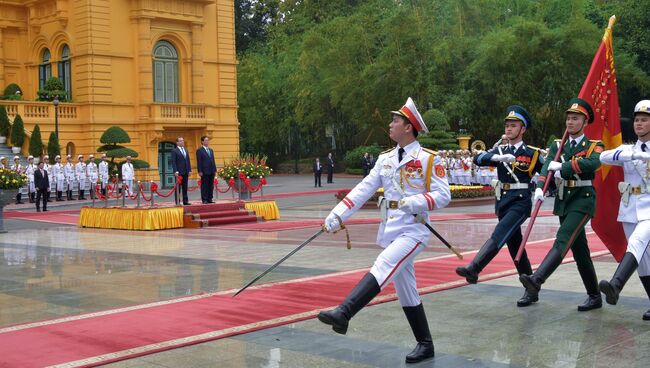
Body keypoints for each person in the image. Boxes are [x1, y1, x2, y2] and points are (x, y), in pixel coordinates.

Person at [318, 97, 450, 364]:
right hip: (391, 229)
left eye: (396, 120)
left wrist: (414, 202)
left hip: (415, 230)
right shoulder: (386, 159)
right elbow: (364, 189)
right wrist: (337, 215)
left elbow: (443, 195)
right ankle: (425, 345)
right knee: (406, 290)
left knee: (384, 263)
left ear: (409, 127)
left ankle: (344, 313)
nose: (390, 124)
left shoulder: (428, 160)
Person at [520, 98, 604, 311]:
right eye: (568, 118)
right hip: (564, 199)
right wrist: (540, 186)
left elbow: (594, 163)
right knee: (580, 250)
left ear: (585, 122)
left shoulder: (594, 145)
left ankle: (537, 279)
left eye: (575, 118)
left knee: (564, 237)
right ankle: (594, 295)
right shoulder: (558, 145)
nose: (570, 122)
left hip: (583, 199)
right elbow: (547, 165)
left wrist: (565, 166)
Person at [456, 106, 544, 306]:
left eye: (513, 125)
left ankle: (475, 267)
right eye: (507, 125)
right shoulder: (500, 150)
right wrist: (495, 157)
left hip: (520, 200)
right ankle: (531, 288)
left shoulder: (532, 153)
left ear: (523, 129)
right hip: (502, 201)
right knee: (515, 248)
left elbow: (546, 172)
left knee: (501, 231)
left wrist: (539, 187)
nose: (509, 129)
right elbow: (477, 159)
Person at [599, 100, 650, 320]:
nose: (639, 124)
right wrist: (632, 155)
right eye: (637, 120)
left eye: (644, 120)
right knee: (644, 262)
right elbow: (603, 157)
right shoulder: (628, 149)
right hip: (630, 208)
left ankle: (616, 284)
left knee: (637, 243)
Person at [196, 136, 217, 204]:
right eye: (205, 140)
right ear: (202, 142)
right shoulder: (199, 150)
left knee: (211, 185)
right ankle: (204, 199)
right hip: (204, 171)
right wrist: (200, 171)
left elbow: (213, 160)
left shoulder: (211, 150)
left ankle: (210, 199)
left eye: (208, 140)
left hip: (211, 170)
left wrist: (215, 170)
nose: (207, 142)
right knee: (204, 185)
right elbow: (199, 161)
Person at [171, 137, 192, 205]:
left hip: (186, 171)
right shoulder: (174, 151)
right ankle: (177, 201)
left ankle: (185, 201)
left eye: (183, 141)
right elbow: (173, 162)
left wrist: (189, 170)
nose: (182, 142)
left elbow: (188, 161)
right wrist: (175, 171)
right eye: (180, 141)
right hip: (179, 172)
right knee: (178, 188)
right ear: (177, 142)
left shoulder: (185, 150)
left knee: (185, 187)